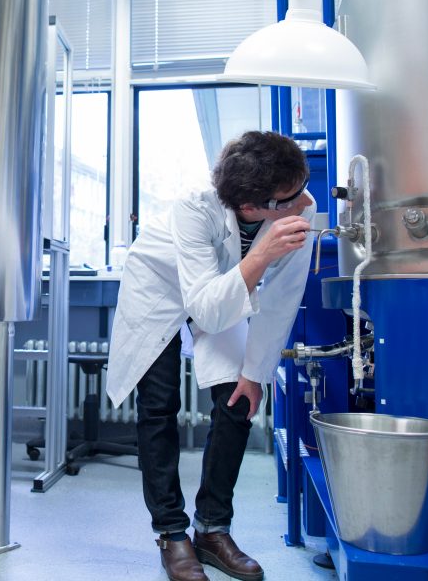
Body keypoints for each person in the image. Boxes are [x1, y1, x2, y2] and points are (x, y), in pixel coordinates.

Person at [106, 131, 315, 581]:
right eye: (289, 199)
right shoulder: (193, 210)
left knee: (237, 401)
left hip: (225, 289)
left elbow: (282, 298)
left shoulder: (301, 206)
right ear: (251, 207)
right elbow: (203, 306)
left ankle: (212, 529)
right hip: (159, 290)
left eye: (301, 189)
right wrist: (261, 252)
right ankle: (171, 533)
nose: (304, 204)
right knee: (159, 406)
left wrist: (256, 372)